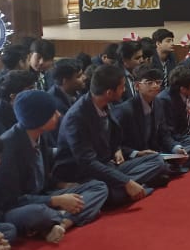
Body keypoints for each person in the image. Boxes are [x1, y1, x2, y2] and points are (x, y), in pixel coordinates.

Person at [0, 90, 109, 244]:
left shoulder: (41, 135)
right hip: (20, 207)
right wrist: (54, 200)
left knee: (99, 187)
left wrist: (62, 186)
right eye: (53, 113)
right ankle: (69, 216)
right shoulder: (7, 147)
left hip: (44, 195)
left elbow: (43, 177)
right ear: (38, 119)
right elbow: (10, 200)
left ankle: (62, 223)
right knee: (38, 213)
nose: (59, 115)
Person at [52, 64, 167, 207]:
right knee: (104, 190)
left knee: (156, 160)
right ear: (109, 92)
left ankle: (125, 188)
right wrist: (126, 181)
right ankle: (126, 188)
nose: (125, 90)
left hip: (107, 165)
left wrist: (118, 150)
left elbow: (111, 138)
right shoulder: (76, 118)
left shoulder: (104, 103)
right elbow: (87, 162)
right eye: (122, 87)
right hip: (82, 173)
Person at [116, 66, 190, 171]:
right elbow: (115, 146)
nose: (155, 86)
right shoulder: (125, 110)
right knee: (160, 162)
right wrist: (136, 153)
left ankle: (173, 166)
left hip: (156, 152)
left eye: (158, 82)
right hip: (136, 156)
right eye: (149, 82)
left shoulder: (158, 103)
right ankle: (174, 166)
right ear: (137, 86)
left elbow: (164, 134)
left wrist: (176, 148)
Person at [0, 70, 39, 136]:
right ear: (14, 96)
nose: (36, 92)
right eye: (30, 89)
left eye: (35, 88)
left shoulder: (34, 107)